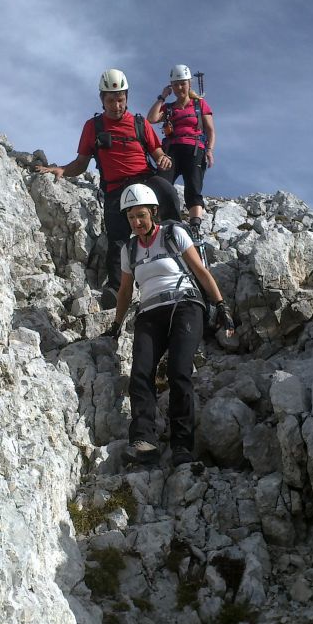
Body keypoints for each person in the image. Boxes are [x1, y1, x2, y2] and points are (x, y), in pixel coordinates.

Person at [107, 183, 235, 468]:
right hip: (150, 312)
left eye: (141, 215)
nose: (136, 222)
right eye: (131, 217)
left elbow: (200, 271)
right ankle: (143, 440)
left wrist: (220, 304)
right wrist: (117, 324)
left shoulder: (173, 234)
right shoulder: (129, 249)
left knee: (179, 372)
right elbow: (126, 291)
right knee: (140, 373)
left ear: (153, 212)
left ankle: (182, 447)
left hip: (185, 307)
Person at [36, 69, 183, 307]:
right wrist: (62, 170)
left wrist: (164, 158)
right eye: (111, 100)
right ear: (102, 100)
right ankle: (116, 290)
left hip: (144, 181)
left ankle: (179, 246)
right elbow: (81, 163)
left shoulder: (139, 123)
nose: (116, 105)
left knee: (166, 191)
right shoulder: (93, 127)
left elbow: (157, 153)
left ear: (127, 97)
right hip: (117, 190)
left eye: (121, 99)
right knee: (118, 240)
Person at [146, 64, 215, 240]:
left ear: (189, 83)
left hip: (194, 149)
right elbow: (151, 119)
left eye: (182, 84)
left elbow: (210, 130)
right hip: (172, 151)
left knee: (193, 185)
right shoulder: (169, 108)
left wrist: (209, 150)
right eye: (175, 85)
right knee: (162, 183)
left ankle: (195, 225)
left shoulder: (199, 105)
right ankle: (166, 221)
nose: (179, 88)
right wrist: (162, 97)